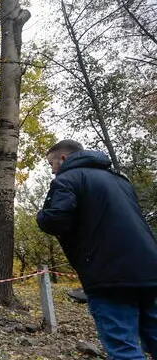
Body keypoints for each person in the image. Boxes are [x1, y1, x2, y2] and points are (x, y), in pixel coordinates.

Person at [37, 139, 157, 359]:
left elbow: (56, 221)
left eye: (51, 164)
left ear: (63, 159)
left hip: (108, 274)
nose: (52, 170)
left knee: (123, 347)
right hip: (150, 270)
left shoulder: (67, 179)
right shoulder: (120, 180)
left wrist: (42, 216)